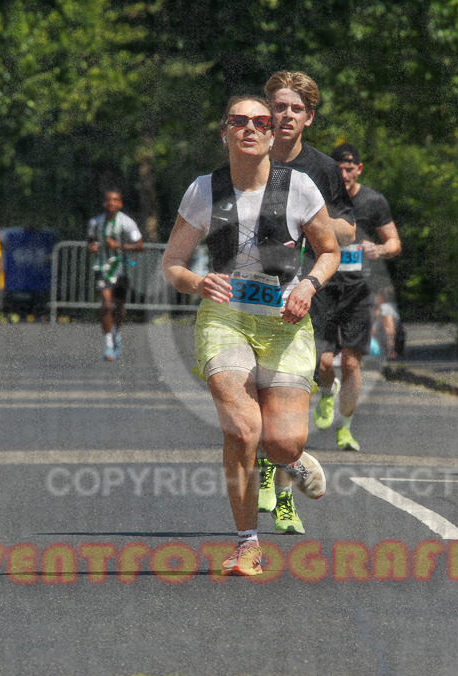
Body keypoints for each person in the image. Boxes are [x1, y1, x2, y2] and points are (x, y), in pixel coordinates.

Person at [161, 95, 340, 576]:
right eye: (239, 121)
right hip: (226, 318)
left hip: (285, 323)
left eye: (261, 121)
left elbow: (328, 251)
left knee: (281, 442)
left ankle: (292, 460)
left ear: (271, 134)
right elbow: (172, 264)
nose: (251, 128)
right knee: (243, 431)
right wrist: (197, 282)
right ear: (225, 133)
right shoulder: (203, 190)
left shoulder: (299, 187)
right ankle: (247, 543)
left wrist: (308, 284)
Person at [256, 70, 357, 535]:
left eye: (296, 109)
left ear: (309, 117)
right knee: (256, 389)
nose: (287, 116)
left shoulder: (321, 170)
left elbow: (348, 230)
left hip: (305, 291)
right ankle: (268, 466)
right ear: (268, 112)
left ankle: (282, 499)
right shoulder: (248, 154)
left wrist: (310, 220)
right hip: (251, 289)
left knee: (292, 392)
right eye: (280, 107)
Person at [312, 143, 401, 450]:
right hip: (323, 288)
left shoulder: (373, 201)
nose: (344, 173)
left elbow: (394, 242)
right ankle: (326, 392)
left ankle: (345, 428)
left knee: (351, 362)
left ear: (359, 170)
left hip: (359, 290)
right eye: (339, 168)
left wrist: (379, 249)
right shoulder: (320, 200)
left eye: (350, 168)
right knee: (323, 361)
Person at [87, 189, 143, 361]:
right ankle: (108, 343)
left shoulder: (127, 223)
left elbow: (140, 245)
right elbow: (90, 241)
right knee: (106, 303)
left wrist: (119, 246)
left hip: (121, 269)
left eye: (115, 200)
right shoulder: (95, 223)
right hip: (102, 268)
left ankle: (116, 333)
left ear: (120, 204)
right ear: (104, 203)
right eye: (108, 200)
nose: (111, 203)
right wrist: (92, 247)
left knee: (119, 307)